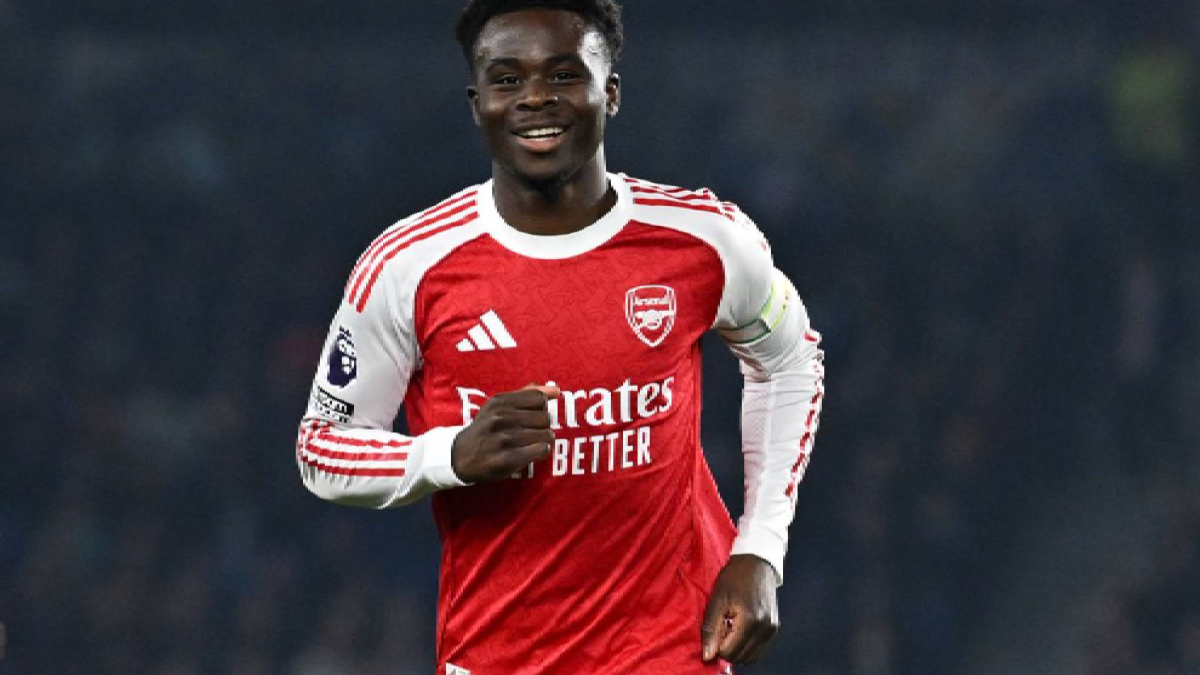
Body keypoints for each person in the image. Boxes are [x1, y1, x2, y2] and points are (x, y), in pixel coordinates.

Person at [295, 1, 825, 673]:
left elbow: (789, 361)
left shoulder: (704, 239)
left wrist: (760, 550)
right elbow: (323, 449)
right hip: (496, 655)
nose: (536, 97)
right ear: (477, 103)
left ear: (611, 92)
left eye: (564, 74)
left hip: (671, 648)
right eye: (507, 79)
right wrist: (448, 454)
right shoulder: (409, 266)